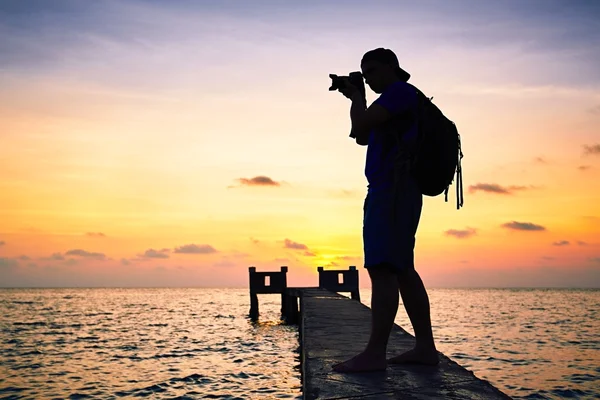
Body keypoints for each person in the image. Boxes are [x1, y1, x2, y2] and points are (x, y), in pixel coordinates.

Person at [332, 48, 439, 373]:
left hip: (392, 190)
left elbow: (362, 123)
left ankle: (375, 354)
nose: (369, 77)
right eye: (365, 74)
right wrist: (357, 98)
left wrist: (358, 98)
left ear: (392, 67)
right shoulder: (393, 100)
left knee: (383, 269)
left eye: (373, 71)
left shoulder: (399, 93)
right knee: (402, 269)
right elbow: (361, 135)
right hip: (393, 189)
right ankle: (424, 349)